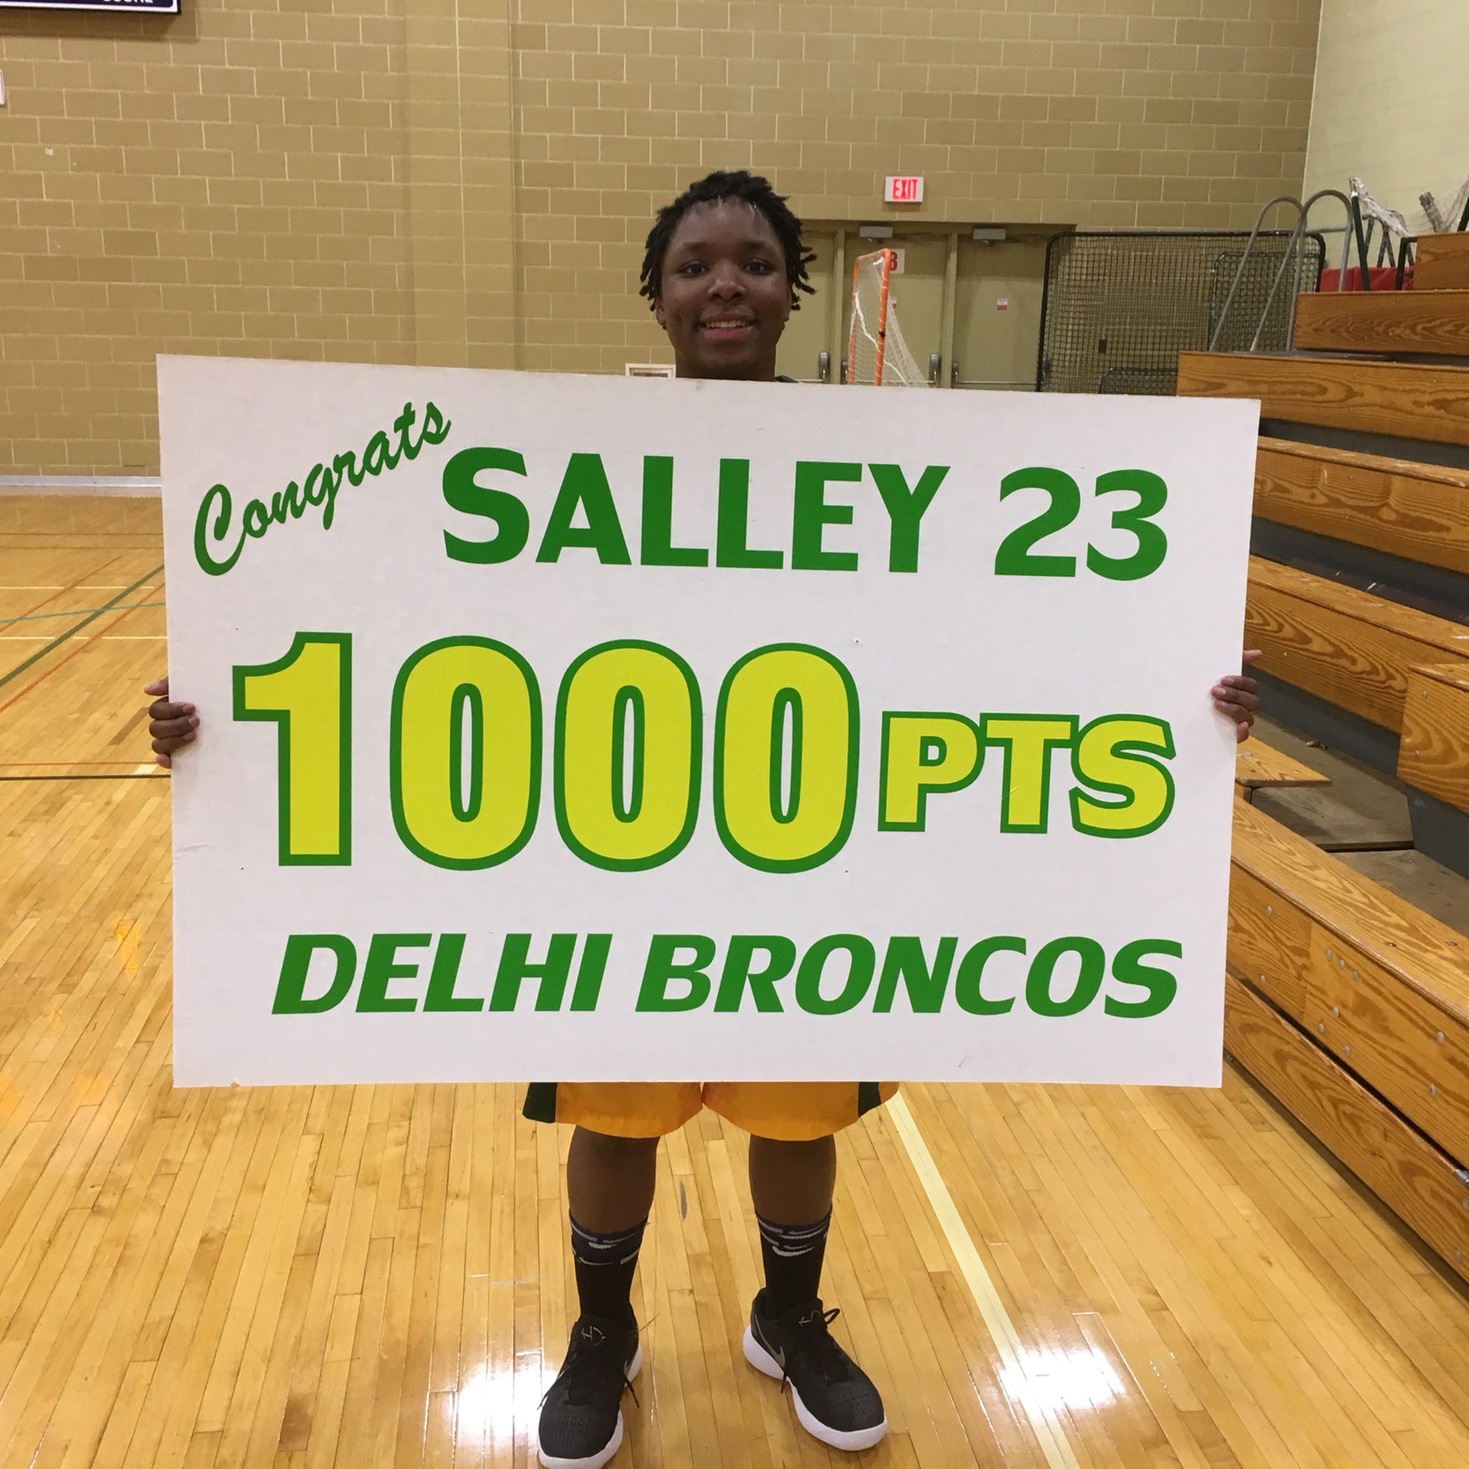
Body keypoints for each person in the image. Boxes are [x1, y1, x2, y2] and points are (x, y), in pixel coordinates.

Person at [147, 171, 1262, 1469]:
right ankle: (603, 1330)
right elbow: (406, 615)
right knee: (613, 1118)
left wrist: (1177, 692)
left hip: (811, 860)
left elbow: (998, 636)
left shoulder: (888, 461)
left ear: (793, 289)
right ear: (658, 296)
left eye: (752, 261)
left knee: (799, 1119)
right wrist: (228, 701)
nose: (724, 283)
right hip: (620, 861)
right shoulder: (575, 452)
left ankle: (787, 1315)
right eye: (694, 264)